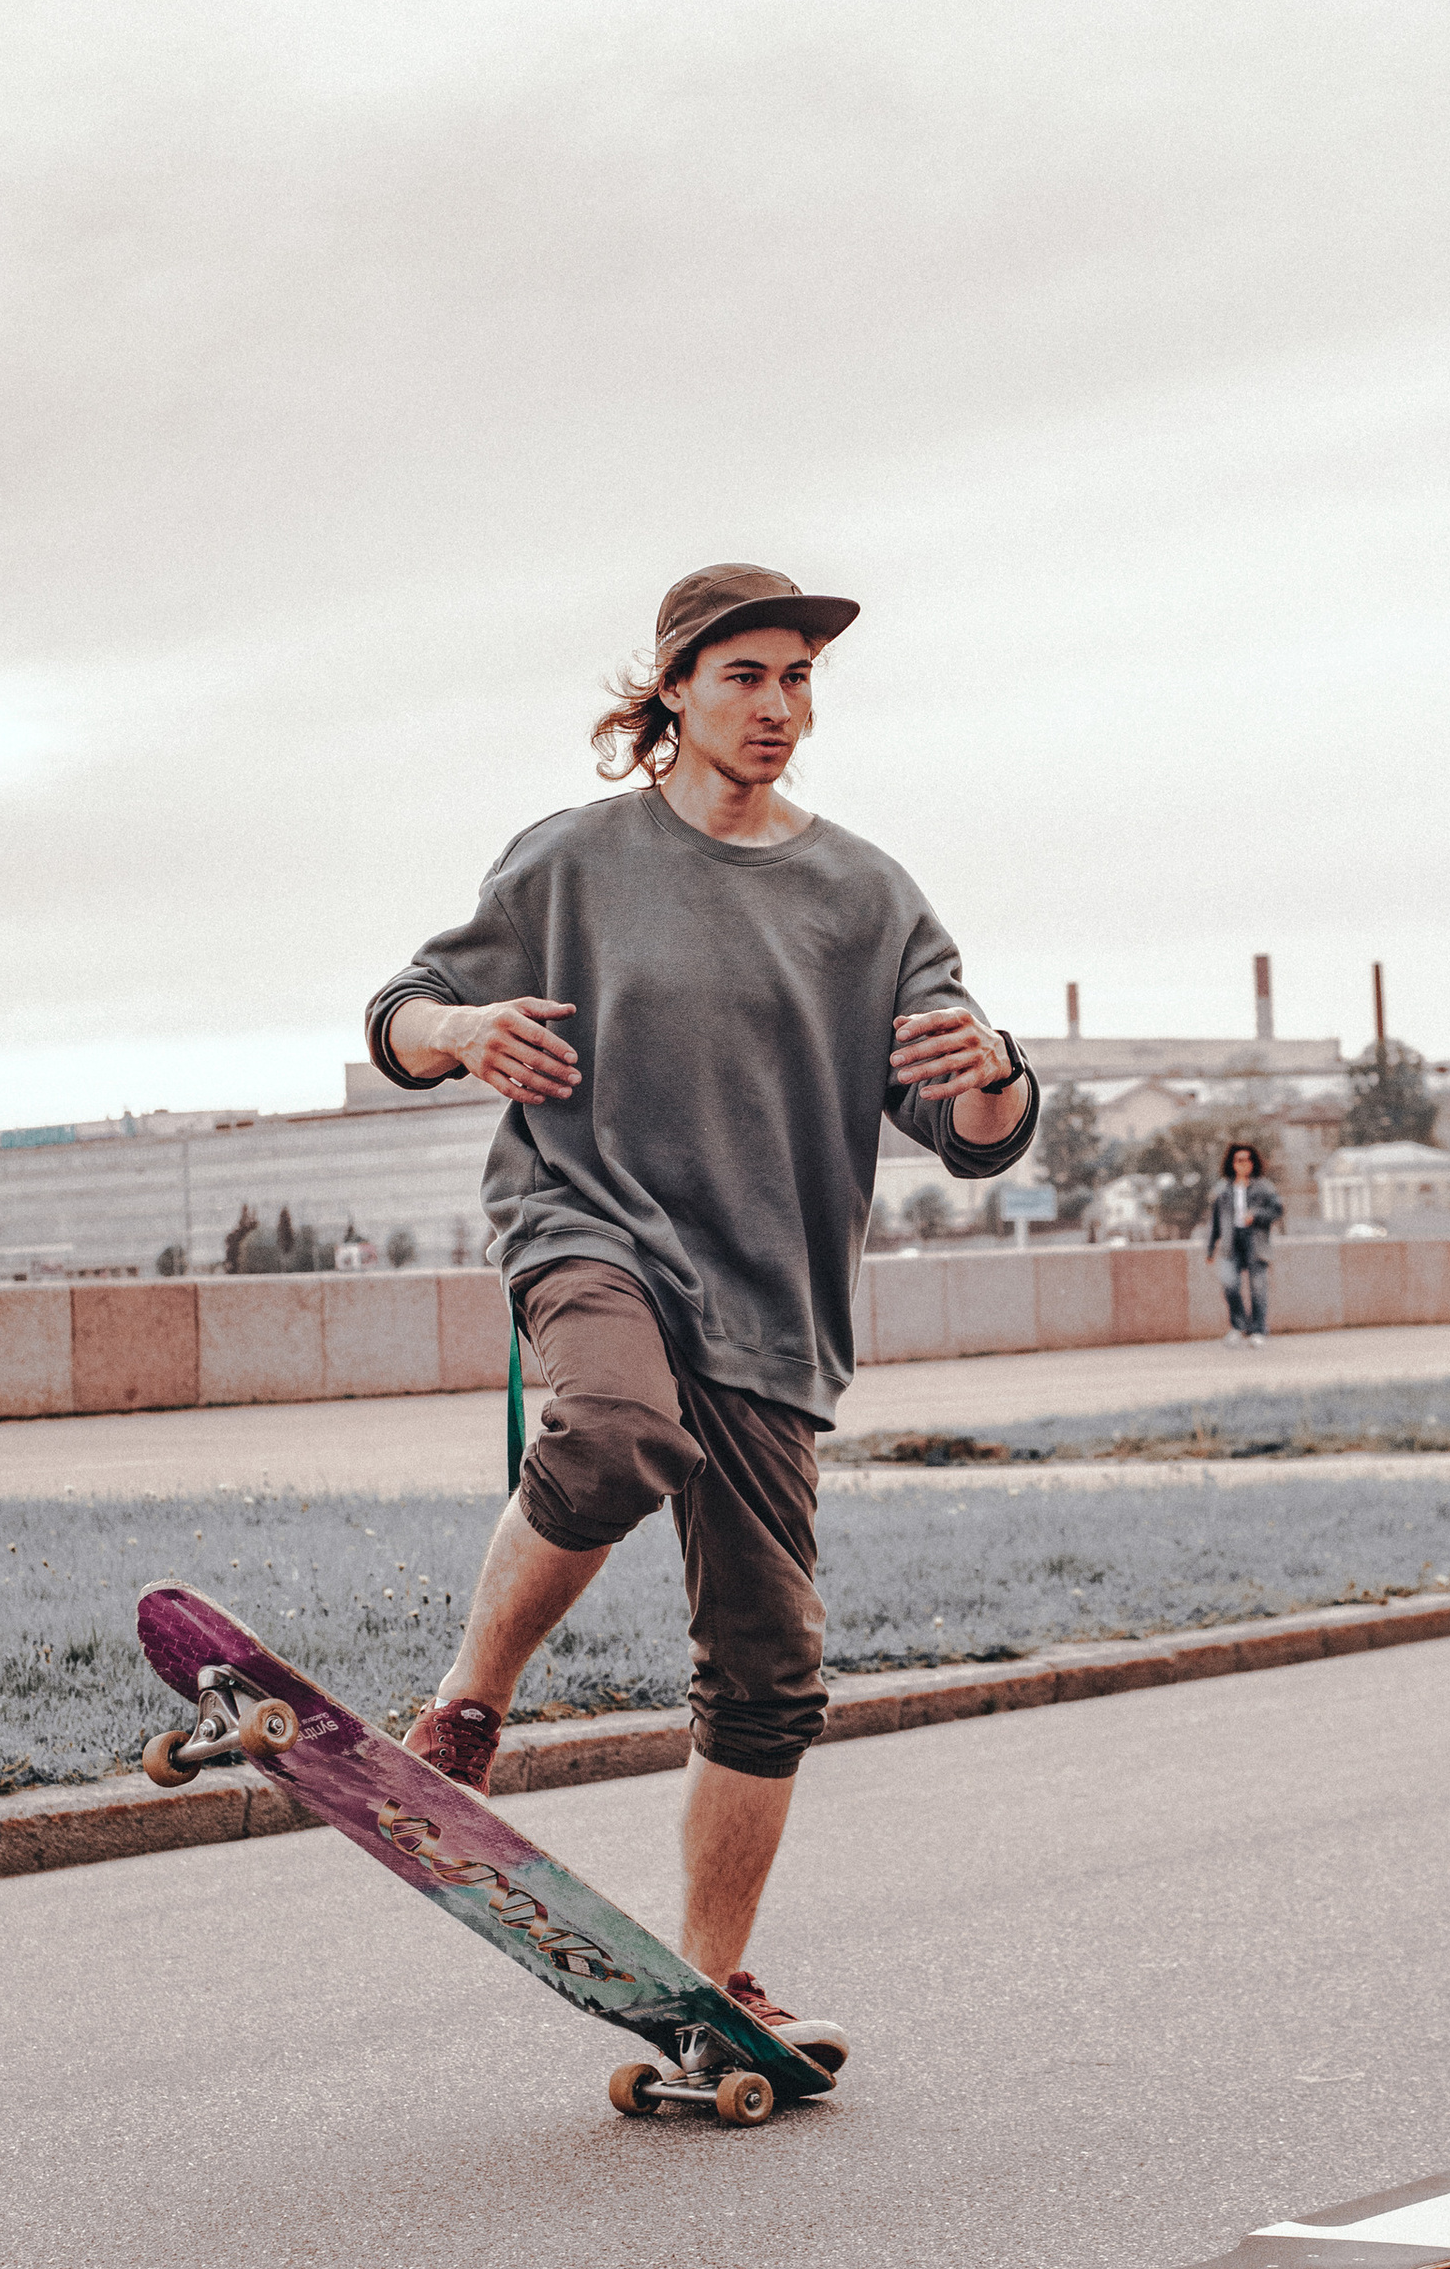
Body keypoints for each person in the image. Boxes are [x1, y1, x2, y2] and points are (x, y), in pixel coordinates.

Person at [364, 564, 1038, 2070]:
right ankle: (471, 1706)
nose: (781, 707)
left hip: (773, 1306)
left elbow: (976, 1124)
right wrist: (466, 1028)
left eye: (801, 680)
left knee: (770, 1664)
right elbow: (400, 1015)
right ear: (673, 688)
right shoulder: (574, 863)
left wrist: (992, 1065)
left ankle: (713, 1984)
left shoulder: (869, 897)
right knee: (610, 1433)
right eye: (749, 675)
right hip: (589, 1229)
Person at [1205, 1141, 1281, 1347]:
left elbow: (1277, 1210)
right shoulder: (1223, 1190)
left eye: (1247, 1160)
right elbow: (1215, 1222)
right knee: (1229, 1284)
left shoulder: (1264, 1187)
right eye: (1239, 1160)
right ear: (1232, 1163)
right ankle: (1238, 1326)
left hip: (1255, 1240)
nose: (1243, 1164)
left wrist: (1256, 1216)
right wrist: (1210, 1248)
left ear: (1253, 1163)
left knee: (1258, 1288)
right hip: (1231, 1241)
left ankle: (1258, 1330)